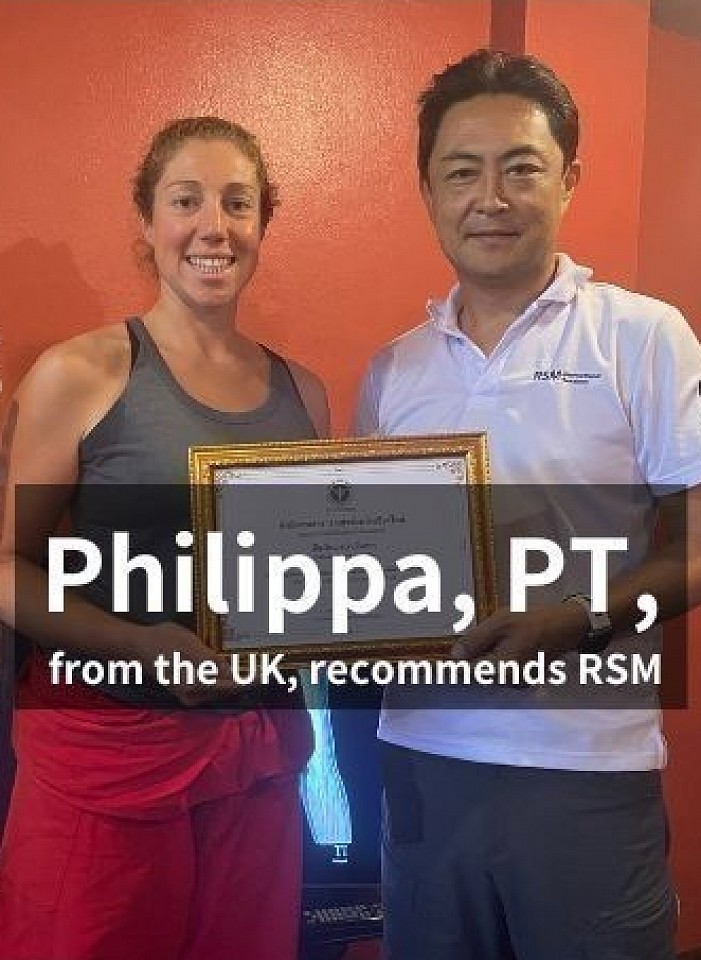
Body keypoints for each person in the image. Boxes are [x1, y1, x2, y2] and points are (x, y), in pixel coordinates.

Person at [354, 49, 701, 960]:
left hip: (584, 768)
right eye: (460, 172)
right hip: (421, 760)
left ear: (568, 179)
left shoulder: (641, 336)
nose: (490, 198)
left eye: (520, 168)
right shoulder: (392, 370)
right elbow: (364, 562)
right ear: (427, 190)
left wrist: (580, 618)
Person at [0, 117, 329, 960]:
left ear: (262, 224)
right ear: (147, 222)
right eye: (186, 201)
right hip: (104, 761)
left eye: (238, 203)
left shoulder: (306, 394)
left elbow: (310, 573)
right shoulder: (79, 373)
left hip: (256, 759)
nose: (213, 226)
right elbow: (5, 567)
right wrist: (139, 646)